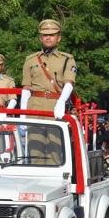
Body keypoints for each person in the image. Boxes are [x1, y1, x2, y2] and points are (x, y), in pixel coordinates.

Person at [20, 19, 77, 164]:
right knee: (34, 151)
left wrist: (61, 102)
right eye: (45, 35)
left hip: (55, 105)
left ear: (59, 38)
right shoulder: (31, 59)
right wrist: (22, 113)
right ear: (40, 38)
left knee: (55, 150)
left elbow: (69, 83)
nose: (48, 37)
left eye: (52, 35)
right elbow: (26, 87)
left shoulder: (67, 59)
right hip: (35, 106)